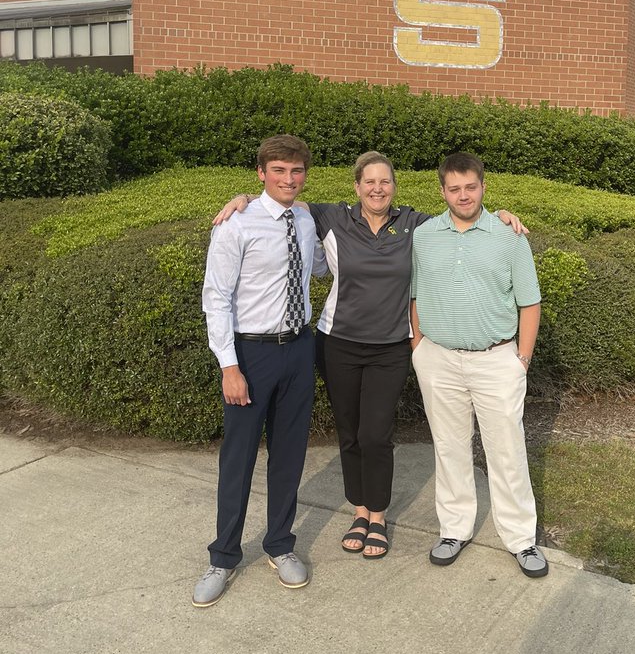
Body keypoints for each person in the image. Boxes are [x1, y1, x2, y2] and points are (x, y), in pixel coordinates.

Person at [213, 153, 525, 559]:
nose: (377, 188)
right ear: (357, 186)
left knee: (376, 435)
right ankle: (359, 512)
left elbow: (460, 216)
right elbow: (288, 202)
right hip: (337, 343)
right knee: (350, 433)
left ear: (394, 186)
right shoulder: (334, 218)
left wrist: (498, 215)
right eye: (369, 182)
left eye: (385, 181)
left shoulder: (415, 224)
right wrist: (244, 199)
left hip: (391, 347)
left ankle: (378, 516)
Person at [192, 135, 328, 608]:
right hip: (251, 354)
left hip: (299, 348)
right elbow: (216, 299)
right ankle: (223, 556)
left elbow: (319, 266)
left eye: (296, 171)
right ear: (261, 173)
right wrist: (229, 366)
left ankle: (280, 545)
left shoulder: (307, 218)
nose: (289, 179)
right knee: (239, 458)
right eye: (279, 171)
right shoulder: (237, 224)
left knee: (289, 454)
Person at [410, 152, 547, 578]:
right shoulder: (424, 236)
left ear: (483, 187)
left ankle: (522, 539)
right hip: (438, 360)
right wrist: (418, 348)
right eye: (454, 188)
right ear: (442, 191)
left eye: (471, 187)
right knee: (449, 448)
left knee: (506, 451)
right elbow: (414, 296)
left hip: (497, 360)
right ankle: (454, 529)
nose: (463, 195)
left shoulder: (510, 237)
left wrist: (521, 359)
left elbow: (530, 301)